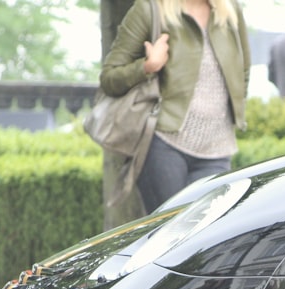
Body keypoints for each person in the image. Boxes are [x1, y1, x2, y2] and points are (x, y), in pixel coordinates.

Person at [100, 0, 250, 214]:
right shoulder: (151, 9)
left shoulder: (229, 11)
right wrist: (147, 66)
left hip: (217, 148)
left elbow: (242, 71)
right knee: (170, 234)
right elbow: (109, 78)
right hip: (163, 144)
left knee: (210, 237)